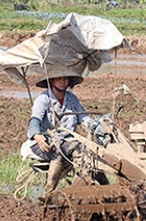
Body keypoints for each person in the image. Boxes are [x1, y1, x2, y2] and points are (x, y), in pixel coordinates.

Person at [21, 62, 93, 196]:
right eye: (58, 78)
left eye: (65, 78)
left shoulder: (72, 99)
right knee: (59, 150)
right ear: (51, 80)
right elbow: (34, 121)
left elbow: (84, 119)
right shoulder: (43, 99)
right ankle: (48, 192)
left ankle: (93, 187)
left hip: (67, 143)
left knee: (89, 153)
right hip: (44, 143)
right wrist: (37, 136)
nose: (62, 81)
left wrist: (94, 126)